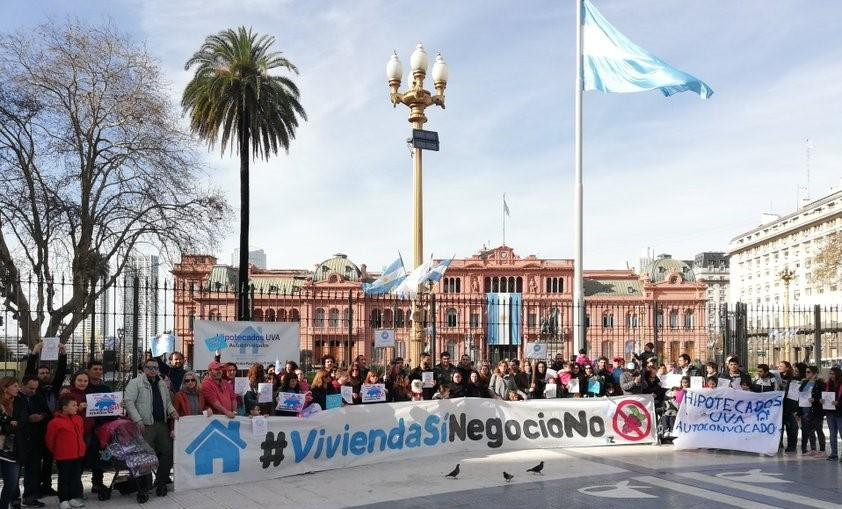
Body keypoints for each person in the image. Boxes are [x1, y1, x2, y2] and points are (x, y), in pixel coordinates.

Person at [124, 359, 179, 496]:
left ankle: (160, 481)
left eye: (155, 368)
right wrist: (138, 420)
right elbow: (128, 402)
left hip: (161, 424)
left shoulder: (161, 383)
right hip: (145, 425)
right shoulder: (135, 383)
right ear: (144, 368)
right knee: (145, 456)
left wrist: (172, 411)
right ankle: (145, 485)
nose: (153, 370)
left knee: (167, 452)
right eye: (150, 368)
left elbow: (167, 402)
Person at [24, 341, 67, 498]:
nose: (44, 375)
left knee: (48, 460)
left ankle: (46, 486)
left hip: (50, 428)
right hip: (35, 429)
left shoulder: (52, 388)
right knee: (34, 462)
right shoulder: (34, 388)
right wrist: (34, 353)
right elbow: (29, 370)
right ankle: (33, 490)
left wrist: (63, 354)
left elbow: (61, 373)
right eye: (41, 373)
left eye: (46, 373)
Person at [44, 394, 85, 509]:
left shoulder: (78, 419)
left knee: (75, 477)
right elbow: (50, 440)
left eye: (76, 405)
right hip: (64, 456)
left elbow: (81, 434)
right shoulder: (55, 422)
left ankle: (73, 498)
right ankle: (63, 499)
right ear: (64, 407)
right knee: (64, 478)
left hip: (78, 454)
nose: (76, 407)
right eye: (73, 405)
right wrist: (57, 451)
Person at [84, 360, 113, 495]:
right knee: (83, 455)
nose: (98, 372)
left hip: (103, 427)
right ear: (88, 371)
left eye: (100, 369)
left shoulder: (106, 388)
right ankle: (76, 485)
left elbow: (111, 406)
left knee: (100, 454)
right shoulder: (84, 387)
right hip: (87, 427)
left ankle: (97, 483)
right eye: (95, 369)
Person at [19, 376, 47, 508]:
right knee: (15, 471)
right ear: (22, 385)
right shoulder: (17, 398)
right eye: (30, 388)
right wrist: (28, 418)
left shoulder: (38, 396)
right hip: (20, 439)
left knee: (34, 469)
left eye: (35, 388)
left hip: (35, 438)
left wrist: (41, 416)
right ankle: (14, 498)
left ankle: (30, 497)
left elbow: (47, 412)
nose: (33, 391)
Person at [0, 377, 28, 509]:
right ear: (6, 388)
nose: (19, 388)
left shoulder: (20, 401)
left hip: (13, 449)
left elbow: (22, 421)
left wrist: (7, 424)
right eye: (15, 386)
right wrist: (9, 423)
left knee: (11, 483)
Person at [799, 365, 826, 457]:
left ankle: (822, 450)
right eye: (806, 372)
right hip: (806, 409)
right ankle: (813, 449)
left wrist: (815, 400)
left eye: (808, 372)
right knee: (810, 430)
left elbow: (823, 397)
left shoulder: (820, 384)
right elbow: (800, 395)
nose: (806, 373)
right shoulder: (804, 383)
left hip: (816, 410)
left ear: (814, 374)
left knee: (818, 429)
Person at [777, 360, 799, 452]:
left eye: (781, 366)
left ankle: (791, 446)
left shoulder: (793, 379)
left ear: (787, 368)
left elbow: (795, 394)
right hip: (779, 406)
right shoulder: (776, 377)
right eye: (779, 366)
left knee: (792, 427)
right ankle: (778, 444)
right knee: (779, 427)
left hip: (789, 406)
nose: (779, 367)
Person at [824, 367, 841, 461]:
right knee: (832, 433)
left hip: (840, 413)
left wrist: (839, 403)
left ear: (838, 374)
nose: (831, 375)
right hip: (830, 412)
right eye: (830, 373)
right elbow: (825, 396)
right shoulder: (828, 384)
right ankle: (834, 453)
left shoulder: (840, 384)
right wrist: (822, 401)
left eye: (833, 374)